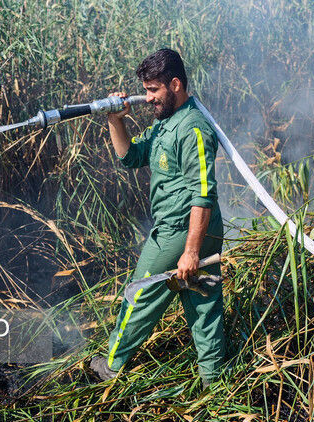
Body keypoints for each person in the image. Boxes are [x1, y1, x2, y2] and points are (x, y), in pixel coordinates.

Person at [90, 49, 225, 387]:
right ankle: (215, 381)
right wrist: (115, 120)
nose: (147, 98)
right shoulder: (166, 121)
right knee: (203, 304)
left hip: (181, 232)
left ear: (175, 84)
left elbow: (203, 194)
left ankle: (110, 366)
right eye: (146, 90)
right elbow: (131, 157)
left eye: (153, 90)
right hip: (194, 230)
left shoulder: (193, 128)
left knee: (138, 295)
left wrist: (191, 251)